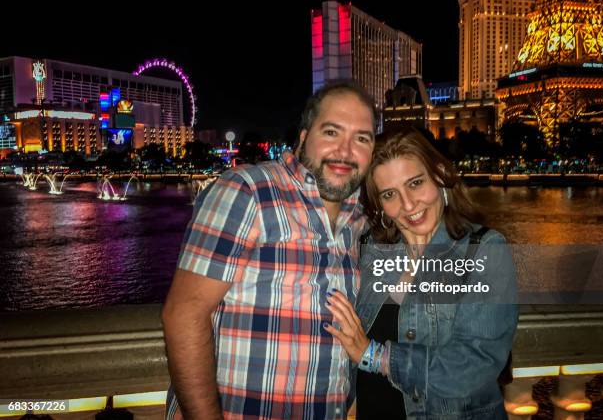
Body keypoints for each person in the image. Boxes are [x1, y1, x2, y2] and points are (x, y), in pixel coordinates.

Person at [162, 82, 377, 420]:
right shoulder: (247, 190)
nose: (346, 150)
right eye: (332, 132)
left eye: (362, 138)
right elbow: (184, 314)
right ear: (304, 137)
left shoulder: (360, 220)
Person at [324, 128, 518, 419]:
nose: (409, 205)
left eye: (415, 183)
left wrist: (373, 355)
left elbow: (474, 366)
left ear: (439, 175)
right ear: (379, 204)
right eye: (390, 194)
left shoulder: (484, 250)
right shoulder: (370, 250)